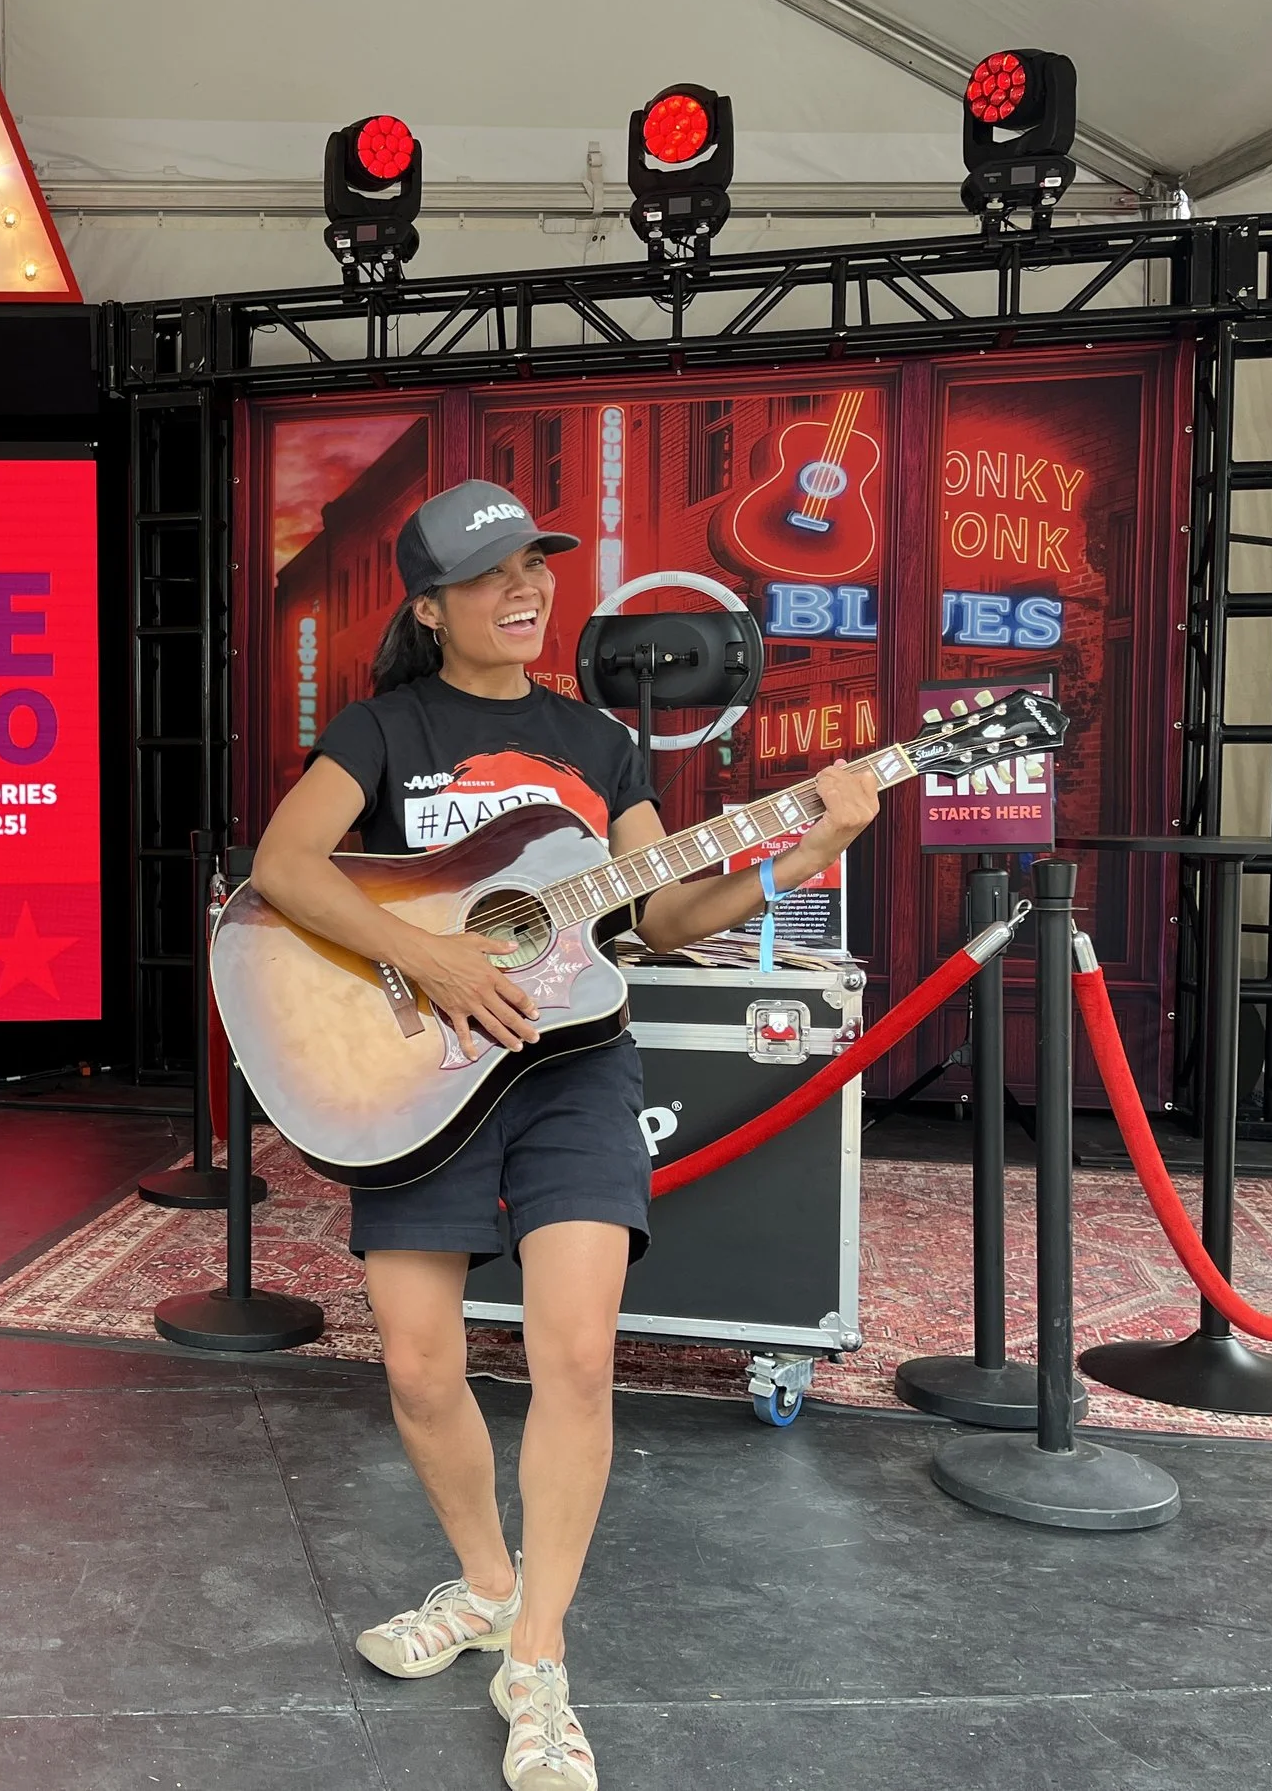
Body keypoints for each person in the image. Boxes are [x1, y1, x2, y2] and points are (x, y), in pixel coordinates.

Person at [247, 480, 878, 1791]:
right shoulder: (382, 726)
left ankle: (537, 1654)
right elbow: (288, 867)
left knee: (575, 1356)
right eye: (490, 576)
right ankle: (485, 1581)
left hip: (575, 1072)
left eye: (534, 565)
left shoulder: (599, 746)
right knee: (420, 1370)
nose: (524, 590)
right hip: (422, 1076)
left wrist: (804, 844)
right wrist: (429, 947)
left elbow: (657, 919)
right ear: (430, 606)